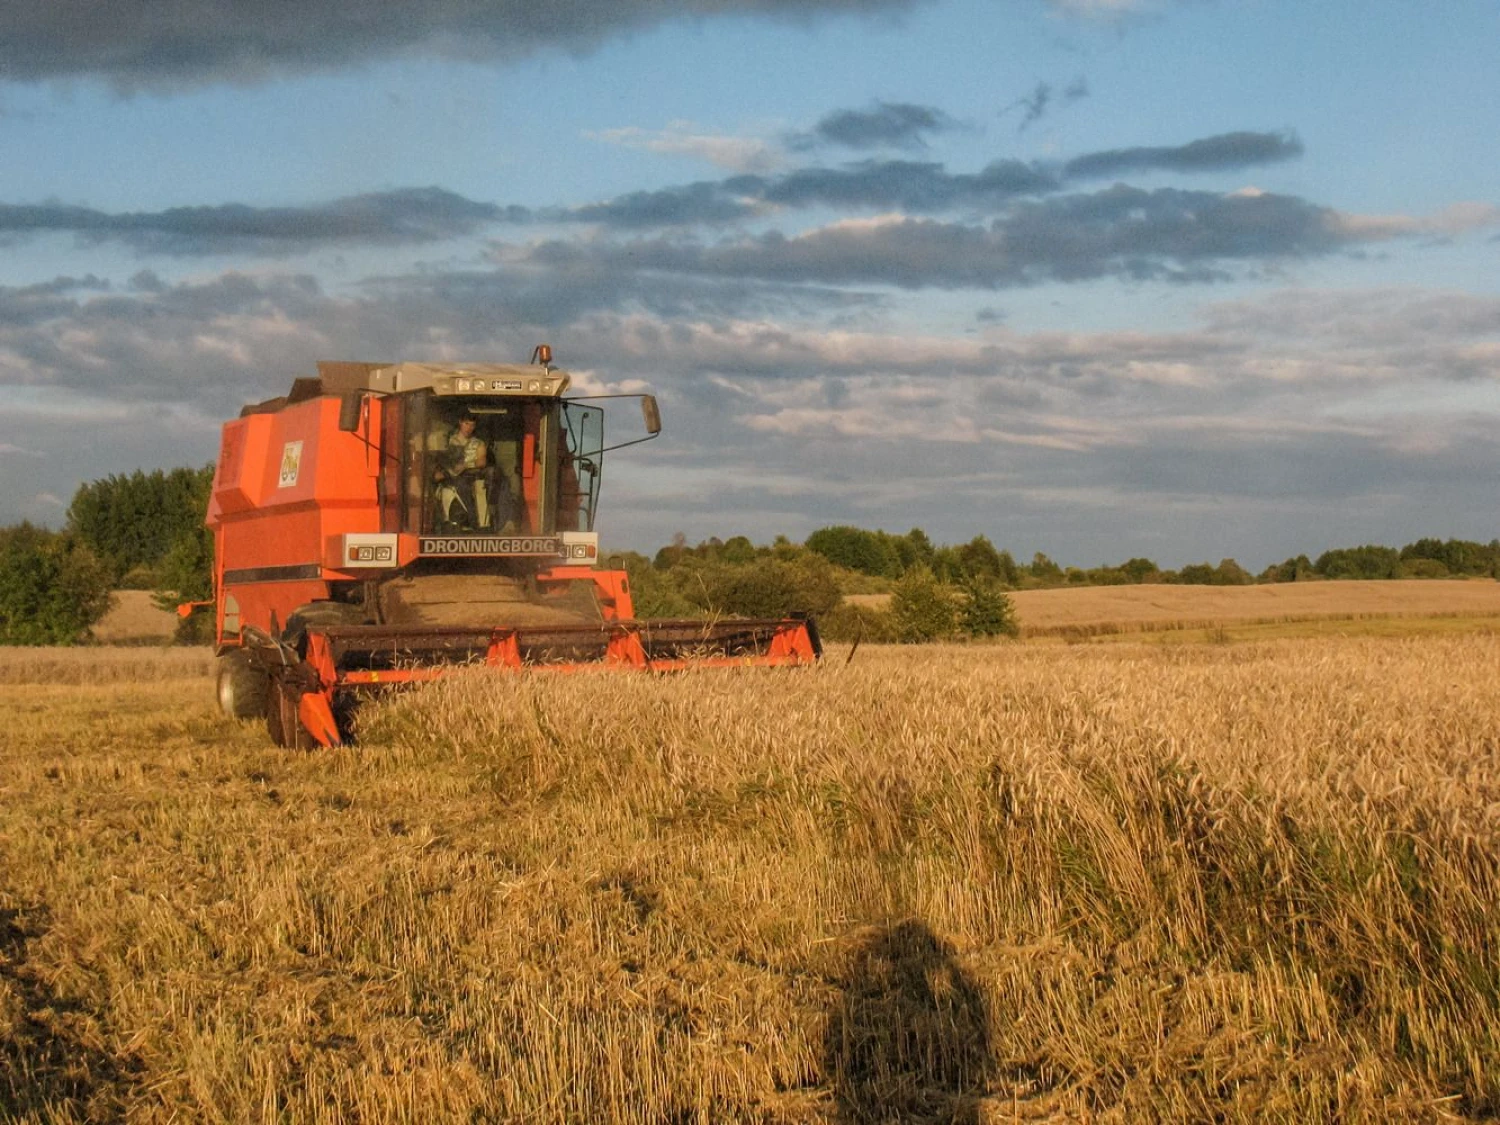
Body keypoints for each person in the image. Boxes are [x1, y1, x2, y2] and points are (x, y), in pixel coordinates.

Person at [433, 413, 494, 530]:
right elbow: (439, 457)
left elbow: (481, 462)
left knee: (464, 486)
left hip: (468, 476)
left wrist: (466, 465)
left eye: (472, 425)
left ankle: (474, 521)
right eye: (466, 424)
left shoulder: (478, 443)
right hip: (447, 474)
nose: (469, 428)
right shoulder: (448, 440)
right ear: (460, 422)